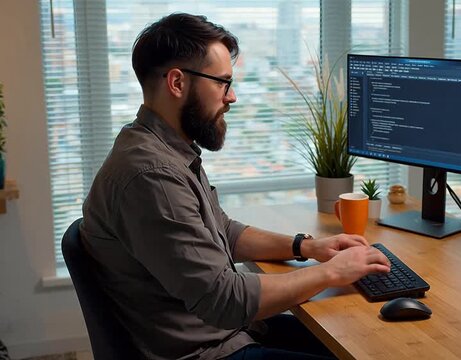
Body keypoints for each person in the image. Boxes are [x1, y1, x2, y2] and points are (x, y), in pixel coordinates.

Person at [79, 12, 390, 360]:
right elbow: (225, 300)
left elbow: (221, 230)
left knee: (359, 339)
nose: (232, 97)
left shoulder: (163, 149)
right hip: (207, 351)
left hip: (222, 334)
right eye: (223, 83)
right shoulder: (152, 174)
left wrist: (307, 247)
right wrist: (332, 272)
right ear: (177, 83)